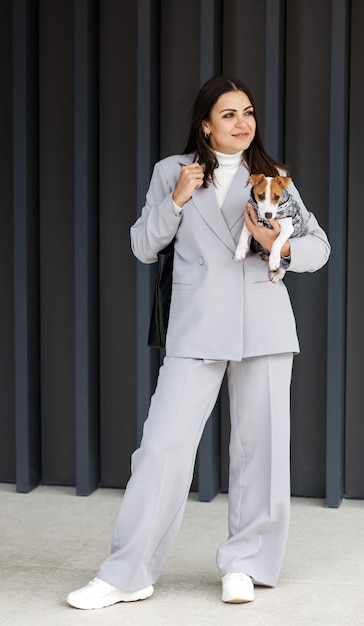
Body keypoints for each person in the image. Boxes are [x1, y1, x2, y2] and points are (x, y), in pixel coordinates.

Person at [66, 75, 330, 610]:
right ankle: (127, 572)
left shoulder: (273, 177)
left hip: (264, 325)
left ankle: (247, 565)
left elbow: (318, 247)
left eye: (249, 112)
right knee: (161, 448)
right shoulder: (171, 172)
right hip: (196, 328)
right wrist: (177, 201)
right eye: (229, 114)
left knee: (262, 451)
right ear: (206, 123)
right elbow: (144, 246)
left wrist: (273, 247)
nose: (243, 123)